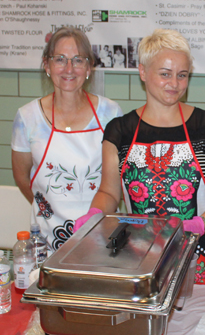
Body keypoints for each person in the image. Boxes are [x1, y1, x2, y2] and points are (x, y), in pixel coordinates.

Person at [76, 29, 205, 285]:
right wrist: (94, 214)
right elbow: (109, 192)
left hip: (201, 253)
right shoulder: (120, 130)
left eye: (182, 75)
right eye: (165, 74)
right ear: (143, 72)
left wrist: (201, 222)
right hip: (141, 256)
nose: (174, 84)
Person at [11, 27, 123, 251]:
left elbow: (118, 179)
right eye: (60, 59)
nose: (69, 68)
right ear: (47, 65)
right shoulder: (27, 117)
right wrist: (48, 208)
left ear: (89, 67)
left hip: (103, 235)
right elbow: (23, 178)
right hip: (47, 239)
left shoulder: (110, 113)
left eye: (78, 60)